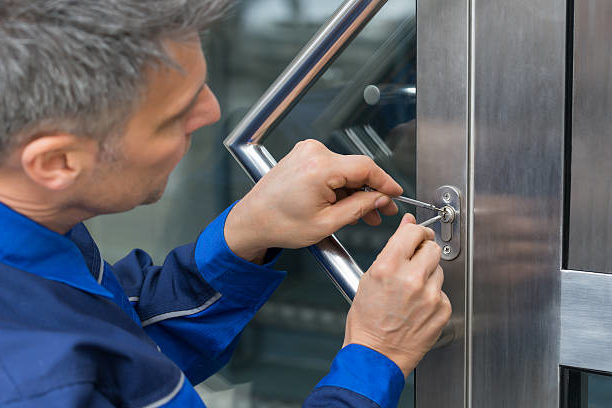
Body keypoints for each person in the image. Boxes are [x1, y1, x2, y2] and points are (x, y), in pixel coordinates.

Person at [0, 1, 452, 407]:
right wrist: (375, 355)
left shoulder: (36, 228)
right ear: (56, 162)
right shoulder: (34, 385)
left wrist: (245, 235)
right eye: (174, 117)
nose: (214, 112)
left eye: (202, 87)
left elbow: (127, 361)